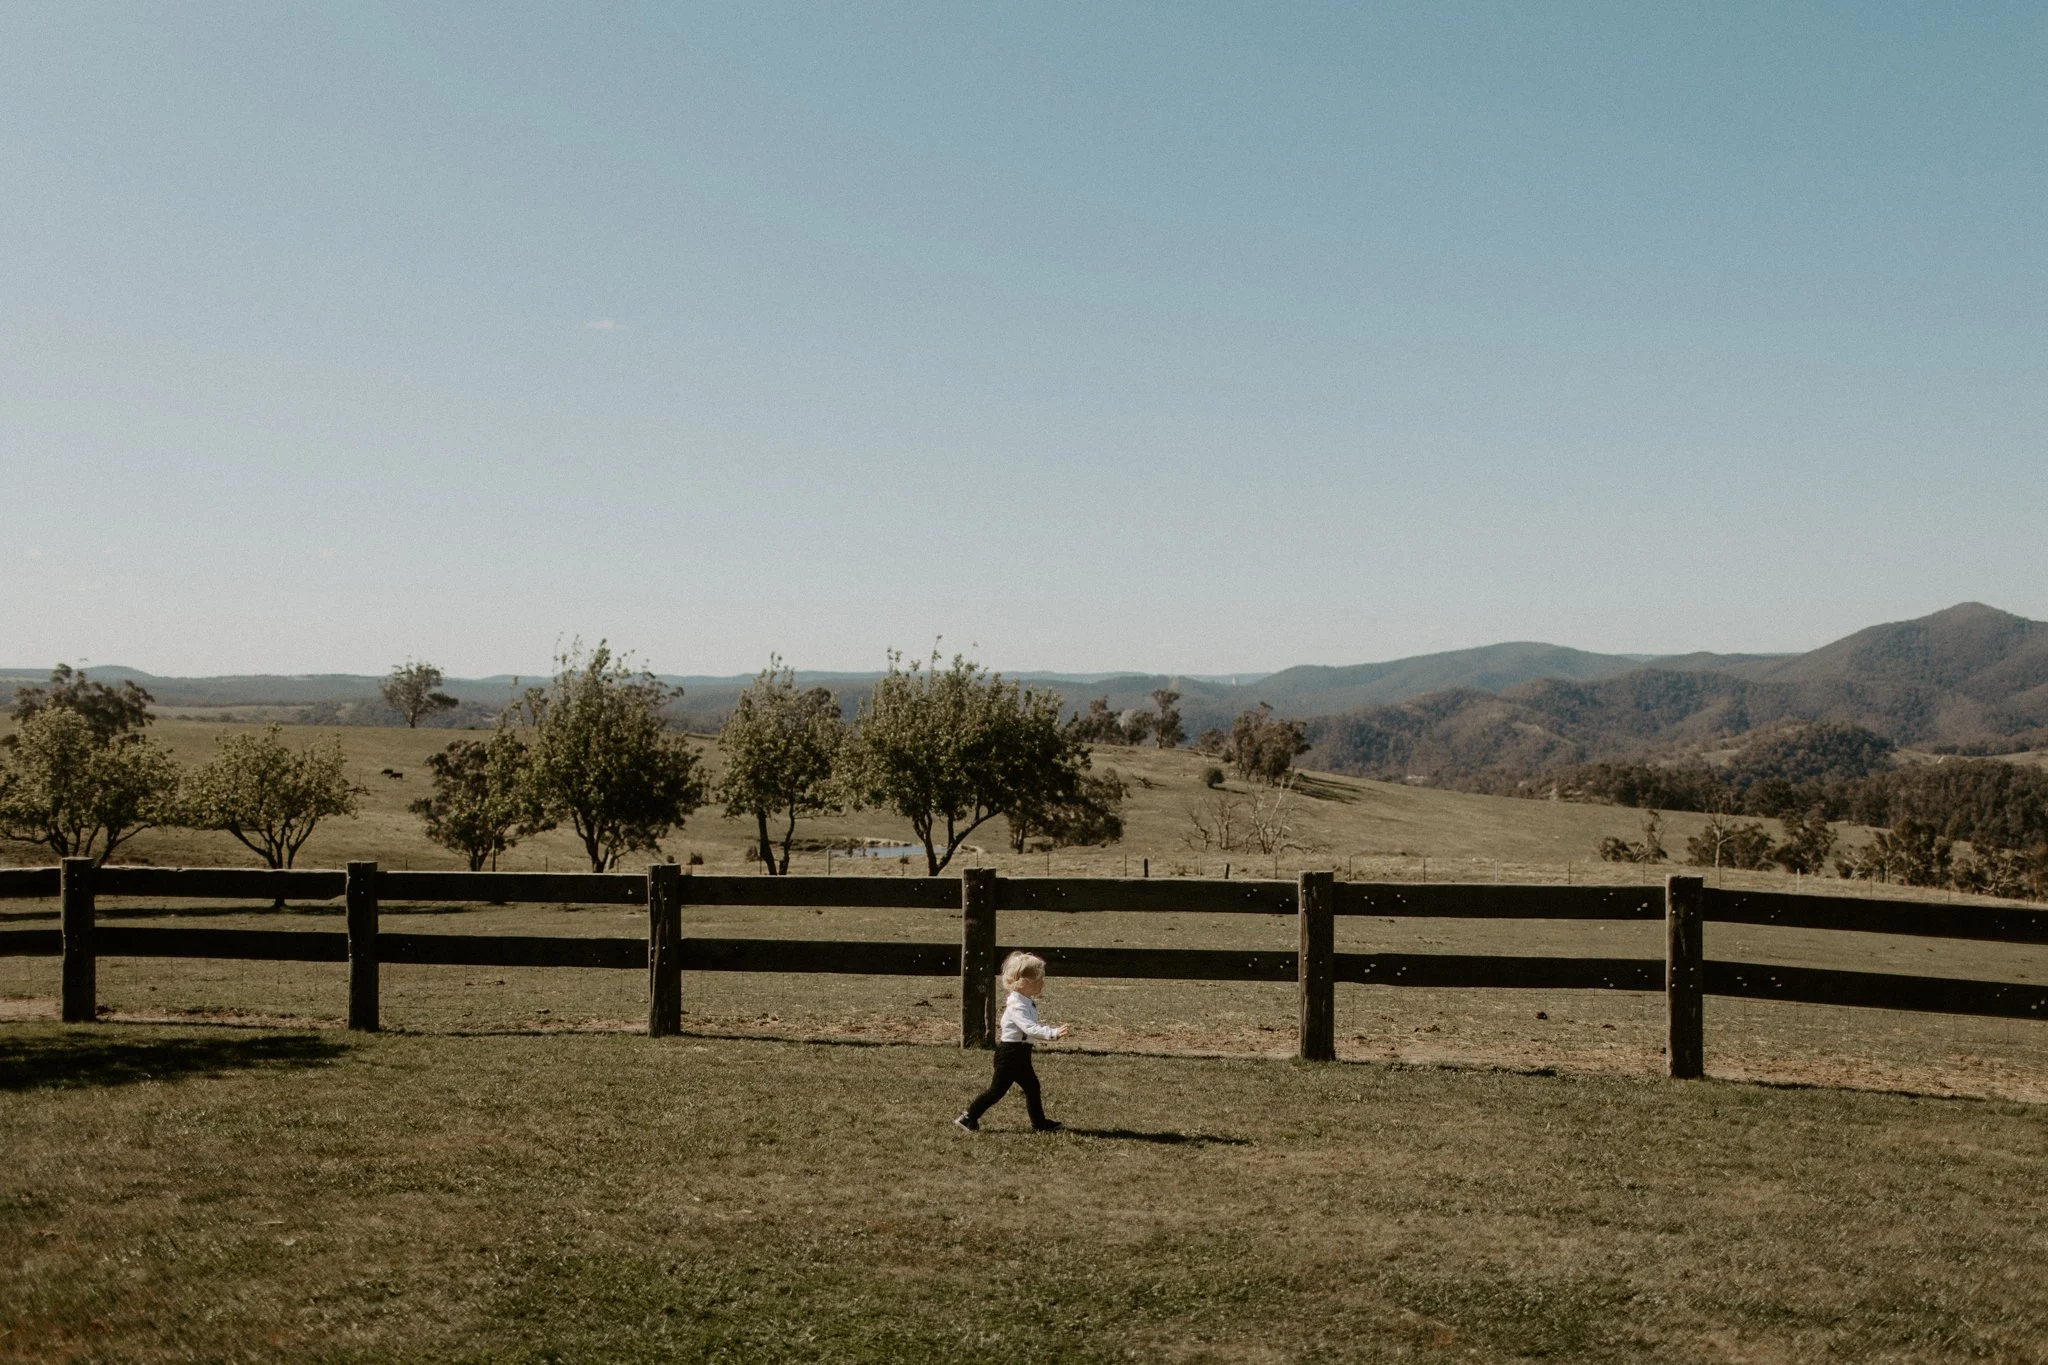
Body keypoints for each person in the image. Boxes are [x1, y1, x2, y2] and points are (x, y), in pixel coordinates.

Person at [955, 951, 1067, 1132]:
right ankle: (968, 1117)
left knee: (1032, 1087)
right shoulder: (1017, 1005)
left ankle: (1039, 1123)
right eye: (1038, 981)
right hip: (1010, 1055)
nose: (1042, 984)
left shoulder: (1025, 1001)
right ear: (1023, 983)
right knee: (996, 1091)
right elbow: (1028, 1027)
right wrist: (1052, 1033)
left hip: (1021, 1053)